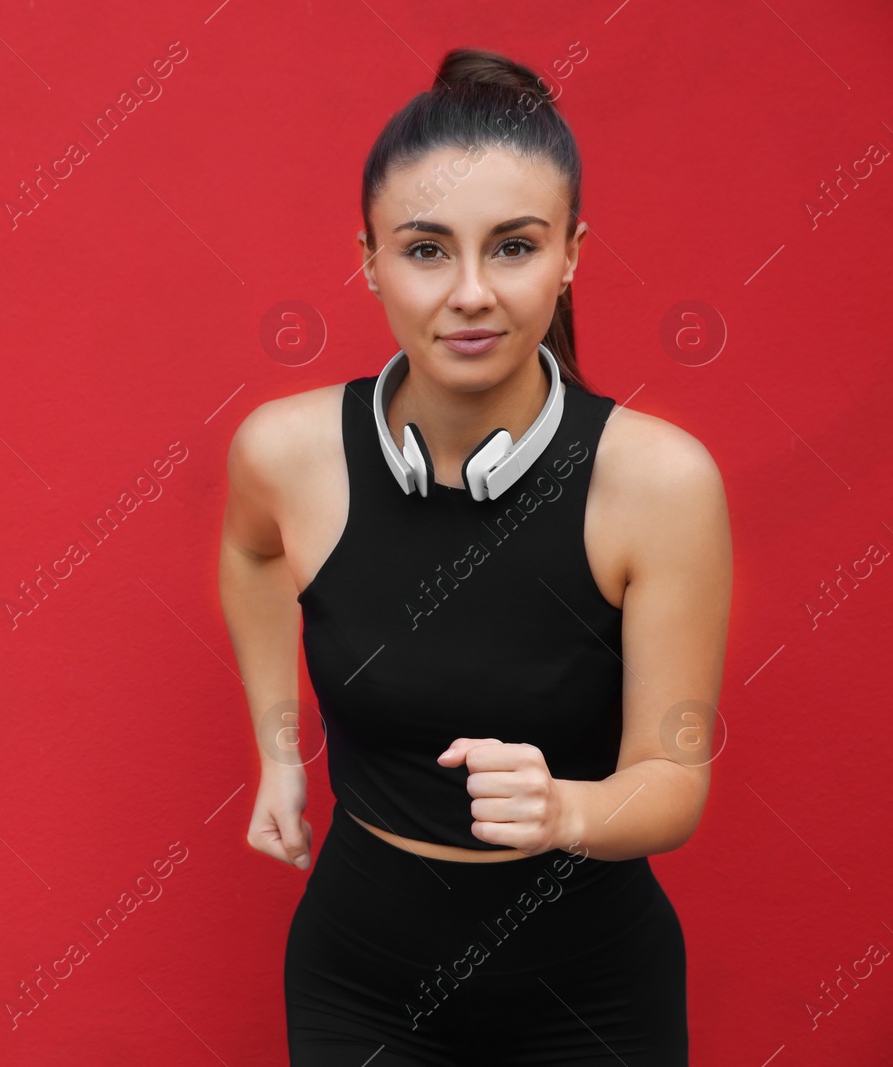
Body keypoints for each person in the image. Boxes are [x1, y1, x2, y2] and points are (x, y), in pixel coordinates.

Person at [217, 48, 732, 1065]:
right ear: (365, 258)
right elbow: (251, 556)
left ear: (571, 255)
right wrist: (279, 751)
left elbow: (673, 781)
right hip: (359, 986)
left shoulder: (661, 483)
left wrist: (566, 807)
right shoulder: (281, 452)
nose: (469, 293)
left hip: (591, 1000)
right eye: (423, 250)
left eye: (512, 247)